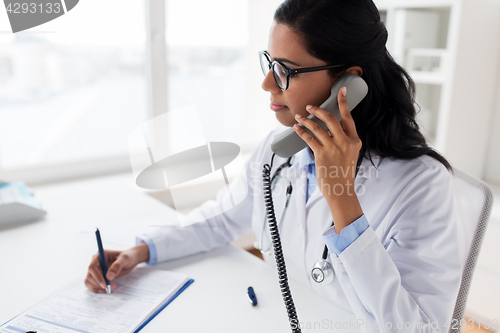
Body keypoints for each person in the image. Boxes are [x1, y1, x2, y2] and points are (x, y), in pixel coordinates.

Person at [85, 0, 461, 331]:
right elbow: (222, 218)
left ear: (347, 84)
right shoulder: (280, 152)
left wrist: (342, 199)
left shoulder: (422, 186)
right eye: (269, 63)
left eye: (285, 70)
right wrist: (143, 250)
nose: (267, 83)